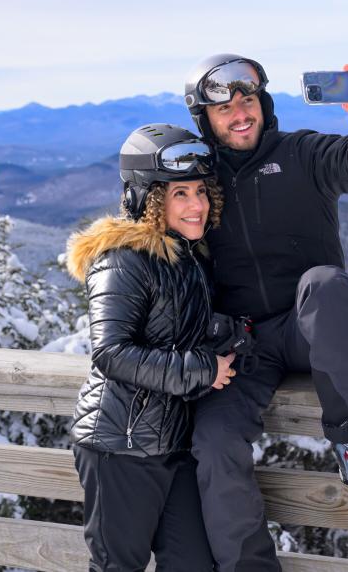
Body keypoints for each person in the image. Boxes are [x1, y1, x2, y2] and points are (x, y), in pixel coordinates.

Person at [183, 54, 348, 571]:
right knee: (212, 445)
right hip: (241, 347)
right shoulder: (198, 180)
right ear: (204, 120)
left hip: (308, 329)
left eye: (248, 100)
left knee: (326, 283)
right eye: (225, 108)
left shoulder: (300, 153)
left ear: (264, 104)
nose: (240, 113)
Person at [66, 123, 234, 571]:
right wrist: (202, 369)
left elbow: (177, 327)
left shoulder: (188, 255)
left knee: (193, 563)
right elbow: (111, 352)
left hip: (172, 445)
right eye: (180, 194)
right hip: (119, 446)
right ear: (149, 198)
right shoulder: (124, 259)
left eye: (200, 191)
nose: (197, 205)